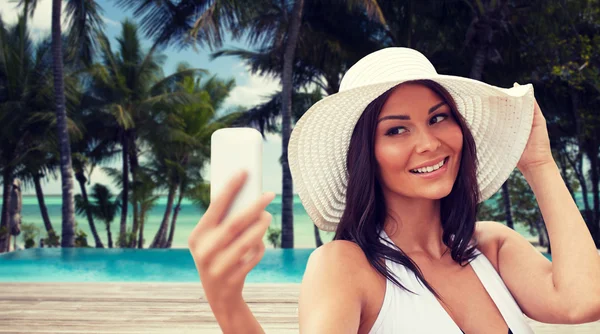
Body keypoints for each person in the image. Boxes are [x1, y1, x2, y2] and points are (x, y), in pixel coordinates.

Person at [187, 48, 600, 333]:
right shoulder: (345, 266)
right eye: (397, 129)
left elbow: (583, 300)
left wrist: (539, 164)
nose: (428, 143)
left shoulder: (489, 247)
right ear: (366, 153)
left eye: (438, 118)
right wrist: (227, 303)